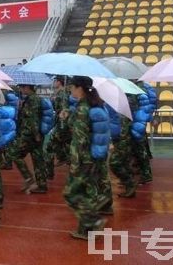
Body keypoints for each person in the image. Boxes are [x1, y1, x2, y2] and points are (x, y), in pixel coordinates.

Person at [63, 76, 107, 240]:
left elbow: (80, 139)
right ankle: (85, 231)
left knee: (70, 193)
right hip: (93, 158)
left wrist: (75, 163)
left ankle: (93, 221)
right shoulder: (93, 104)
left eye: (72, 87)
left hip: (83, 159)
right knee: (87, 193)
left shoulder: (83, 108)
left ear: (79, 88)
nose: (71, 90)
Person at [8, 84, 47, 193]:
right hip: (33, 134)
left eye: (21, 87)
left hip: (29, 134)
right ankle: (41, 184)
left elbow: (33, 118)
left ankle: (28, 177)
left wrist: (35, 134)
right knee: (37, 158)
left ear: (27, 87)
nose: (20, 89)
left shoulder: (32, 100)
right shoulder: (31, 99)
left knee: (13, 153)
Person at [45, 75, 70, 179]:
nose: (54, 82)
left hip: (61, 124)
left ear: (60, 82)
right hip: (61, 124)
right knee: (59, 145)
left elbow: (63, 111)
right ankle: (65, 158)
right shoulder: (61, 93)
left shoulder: (62, 94)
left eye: (55, 80)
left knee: (48, 147)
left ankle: (49, 173)